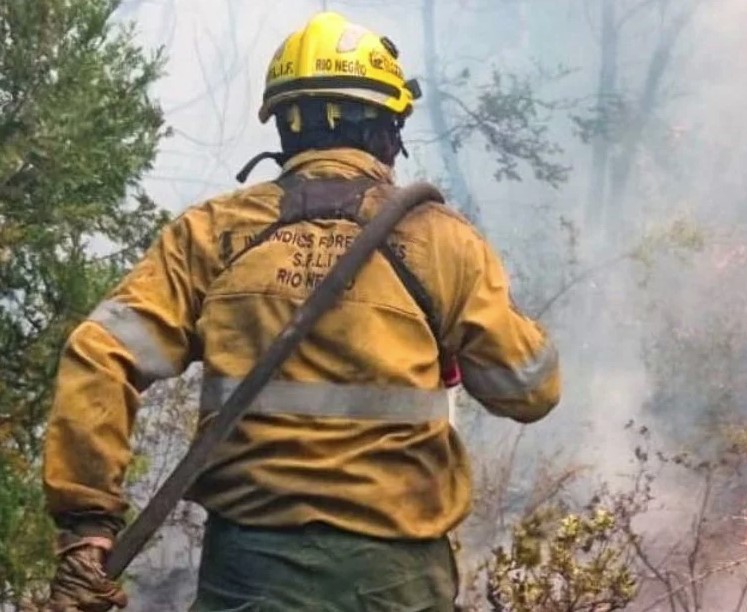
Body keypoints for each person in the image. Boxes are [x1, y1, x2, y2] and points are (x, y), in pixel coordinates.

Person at [41, 11, 561, 612]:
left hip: (248, 573)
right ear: (386, 130)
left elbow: (99, 351)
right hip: (395, 579)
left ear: (285, 128)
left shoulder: (211, 234)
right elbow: (530, 390)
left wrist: (87, 526)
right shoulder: (441, 241)